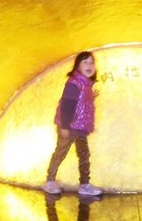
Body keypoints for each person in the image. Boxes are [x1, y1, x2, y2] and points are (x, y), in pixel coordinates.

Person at [44, 51, 103, 197]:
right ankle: (50, 181)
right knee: (61, 151)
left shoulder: (87, 84)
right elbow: (67, 105)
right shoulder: (74, 83)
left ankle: (85, 184)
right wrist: (64, 126)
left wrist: (91, 97)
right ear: (77, 66)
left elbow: (82, 103)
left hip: (81, 126)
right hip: (69, 126)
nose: (89, 65)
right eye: (85, 62)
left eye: (92, 62)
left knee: (84, 154)